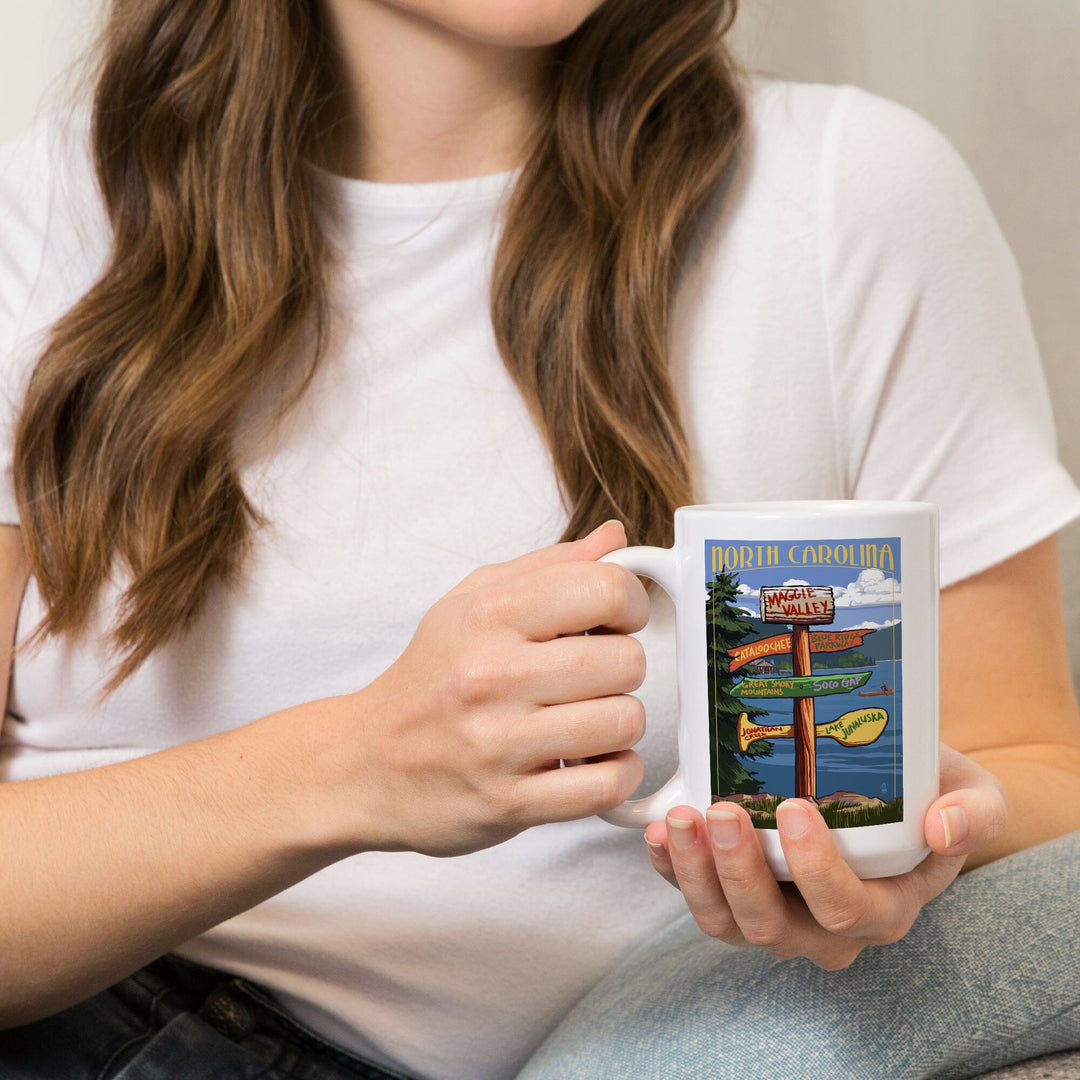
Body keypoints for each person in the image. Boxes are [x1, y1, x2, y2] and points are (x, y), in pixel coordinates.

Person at [0, 1, 1078, 1078]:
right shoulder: (38, 220)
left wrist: (926, 847)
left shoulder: (853, 195)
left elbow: (1033, 767)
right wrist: (359, 764)